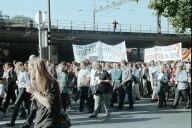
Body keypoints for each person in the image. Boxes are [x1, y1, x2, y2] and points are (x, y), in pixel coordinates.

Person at [26, 57, 61, 127]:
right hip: (40, 121)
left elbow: (48, 104)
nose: (28, 72)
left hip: (49, 122)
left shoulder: (51, 82)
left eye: (30, 69)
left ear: (38, 69)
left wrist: (34, 92)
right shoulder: (39, 83)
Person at [5, 62, 31, 127]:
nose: (18, 68)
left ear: (22, 66)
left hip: (23, 89)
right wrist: (18, 83)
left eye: (19, 67)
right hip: (20, 89)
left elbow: (28, 82)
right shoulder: (20, 73)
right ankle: (29, 120)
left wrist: (21, 84)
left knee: (16, 104)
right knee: (25, 106)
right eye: (17, 67)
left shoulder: (25, 73)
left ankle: (12, 121)